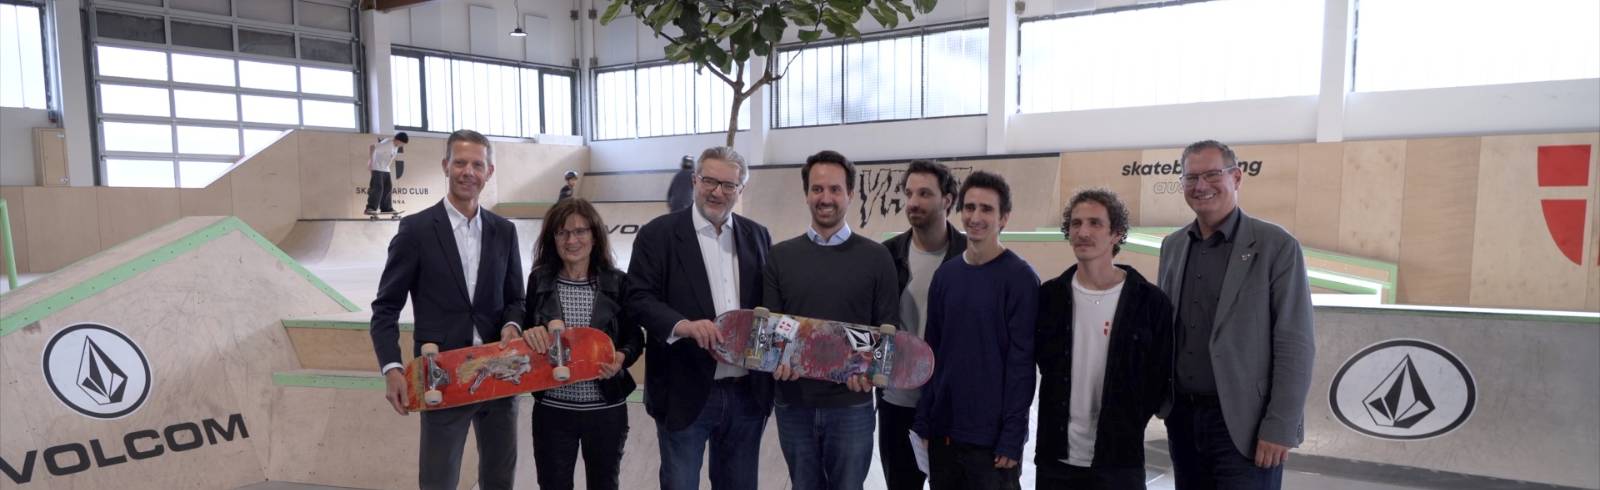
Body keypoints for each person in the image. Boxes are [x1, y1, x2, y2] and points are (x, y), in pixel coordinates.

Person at [369, 129, 524, 490]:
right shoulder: (416, 230)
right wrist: (391, 367)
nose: (468, 172)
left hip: (500, 373)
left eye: (477, 165)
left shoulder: (504, 231)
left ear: (489, 171)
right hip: (441, 375)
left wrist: (513, 325)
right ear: (445, 166)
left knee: (500, 480)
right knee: (438, 480)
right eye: (460, 163)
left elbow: (516, 299)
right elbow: (386, 307)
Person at [1158, 140, 1315, 490]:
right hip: (1183, 421)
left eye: (1213, 174)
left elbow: (1296, 344)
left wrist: (1280, 426)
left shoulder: (1277, 246)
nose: (1201, 185)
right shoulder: (1173, 246)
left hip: (1248, 426)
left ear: (1237, 177)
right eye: (1191, 177)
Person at [626, 146, 774, 490]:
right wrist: (683, 326)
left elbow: (770, 307)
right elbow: (637, 298)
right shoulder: (658, 235)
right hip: (684, 388)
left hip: (746, 393)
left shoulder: (758, 236)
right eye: (709, 181)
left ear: (741, 189)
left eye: (728, 185)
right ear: (694, 180)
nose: (717, 192)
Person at [765, 150, 900, 490]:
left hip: (851, 407)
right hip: (794, 405)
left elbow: (888, 330)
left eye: (835, 189)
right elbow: (773, 331)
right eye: (817, 189)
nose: (825, 198)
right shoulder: (780, 256)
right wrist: (776, 359)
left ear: (850, 194)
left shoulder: (877, 257)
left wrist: (871, 373)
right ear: (806, 194)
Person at [1034, 189, 1174, 489]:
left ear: (1116, 234)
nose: (1083, 232)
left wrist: (1129, 421)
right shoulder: (1049, 297)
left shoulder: (1150, 303)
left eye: (1095, 223)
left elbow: (1158, 377)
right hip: (1056, 460)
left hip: (1120, 462)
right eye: (1076, 223)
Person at [913, 171, 1038, 490]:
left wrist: (1013, 436)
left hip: (992, 443)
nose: (976, 217)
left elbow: (1022, 365)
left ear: (1004, 217)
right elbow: (932, 352)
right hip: (945, 434)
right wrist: (925, 420)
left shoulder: (1021, 279)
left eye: (986, 209)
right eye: (969, 207)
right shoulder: (946, 276)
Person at [520, 197, 644, 490]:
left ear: (594, 235)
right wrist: (530, 333)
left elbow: (635, 337)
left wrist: (621, 358)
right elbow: (527, 329)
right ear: (553, 239)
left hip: (605, 410)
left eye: (580, 231)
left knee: (604, 484)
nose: (571, 240)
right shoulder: (540, 280)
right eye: (562, 232)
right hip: (553, 410)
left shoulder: (617, 282)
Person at [876, 159, 965, 490]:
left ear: (947, 200)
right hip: (897, 404)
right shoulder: (886, 256)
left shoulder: (969, 256)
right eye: (909, 193)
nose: (913, 202)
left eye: (925, 193)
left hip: (951, 407)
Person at [366, 132, 408, 215]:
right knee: (378, 188)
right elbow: (372, 147)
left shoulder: (395, 147)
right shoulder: (388, 143)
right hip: (377, 168)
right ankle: (370, 208)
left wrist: (387, 167)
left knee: (388, 188)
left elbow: (390, 158)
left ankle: (386, 208)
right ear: (398, 140)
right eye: (402, 143)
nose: (402, 145)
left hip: (385, 169)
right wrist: (371, 162)